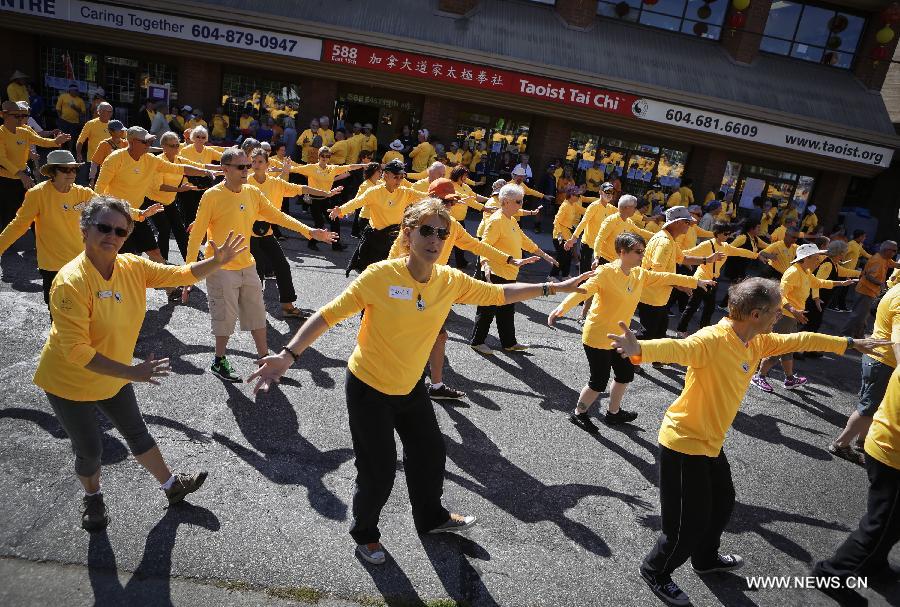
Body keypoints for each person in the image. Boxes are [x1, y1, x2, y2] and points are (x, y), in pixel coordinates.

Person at [247, 198, 590, 565]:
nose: (435, 239)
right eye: (426, 230)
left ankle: (431, 518)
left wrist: (555, 288)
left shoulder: (449, 280)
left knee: (430, 454)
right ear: (408, 235)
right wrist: (288, 355)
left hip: (410, 387)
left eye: (442, 233)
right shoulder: (381, 275)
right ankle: (365, 534)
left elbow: (499, 293)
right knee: (377, 472)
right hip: (369, 387)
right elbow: (328, 315)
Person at [606, 278, 887, 607]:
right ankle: (656, 569)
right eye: (777, 312)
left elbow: (800, 338)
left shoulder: (756, 341)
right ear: (756, 313)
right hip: (684, 443)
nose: (780, 316)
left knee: (723, 504)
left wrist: (851, 343)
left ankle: (705, 559)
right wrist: (640, 349)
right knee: (685, 524)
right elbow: (678, 349)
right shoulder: (713, 338)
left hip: (710, 442)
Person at [34, 195, 246, 530]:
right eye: (103, 227)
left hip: (113, 372)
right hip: (69, 381)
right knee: (90, 451)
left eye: (120, 231)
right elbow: (77, 351)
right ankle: (92, 498)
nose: (112, 236)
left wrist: (215, 263)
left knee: (138, 433)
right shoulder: (71, 281)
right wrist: (131, 372)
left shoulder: (132, 267)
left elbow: (179, 274)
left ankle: (171, 486)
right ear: (85, 229)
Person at [185, 147, 337, 381]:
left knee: (257, 313)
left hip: (247, 264)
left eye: (248, 166)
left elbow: (278, 216)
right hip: (219, 266)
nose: (246, 170)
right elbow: (196, 236)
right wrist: (188, 273)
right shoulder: (212, 196)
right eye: (241, 167)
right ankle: (219, 360)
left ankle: (265, 358)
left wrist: (309, 231)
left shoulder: (252, 193)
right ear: (225, 169)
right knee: (225, 318)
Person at [388, 178, 538, 400]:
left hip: (431, 287)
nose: (448, 208)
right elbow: (395, 255)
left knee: (437, 336)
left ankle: (433, 385)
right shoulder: (417, 223)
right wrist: (392, 284)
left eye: (450, 203)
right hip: (406, 285)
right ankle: (399, 380)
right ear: (431, 200)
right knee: (411, 335)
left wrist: (507, 259)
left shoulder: (453, 226)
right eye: (444, 202)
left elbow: (477, 245)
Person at [550, 232, 713, 434]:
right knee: (598, 382)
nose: (642, 255)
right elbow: (584, 290)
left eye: (642, 251)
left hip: (621, 338)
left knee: (625, 375)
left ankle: (613, 413)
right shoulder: (605, 272)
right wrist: (561, 309)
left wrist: (694, 281)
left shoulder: (640, 274)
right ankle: (579, 413)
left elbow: (665, 277)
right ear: (622, 252)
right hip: (597, 336)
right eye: (638, 252)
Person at [811, 361, 900, 606]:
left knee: (891, 519)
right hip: (893, 454)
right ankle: (831, 573)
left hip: (885, 444)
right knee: (881, 523)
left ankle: (873, 562)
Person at [751, 244, 858, 393]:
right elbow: (779, 295)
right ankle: (759, 376)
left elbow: (819, 283)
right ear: (806, 258)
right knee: (777, 349)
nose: (818, 260)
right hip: (785, 317)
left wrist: (841, 283)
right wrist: (793, 310)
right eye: (816, 258)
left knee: (789, 347)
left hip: (792, 316)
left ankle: (789, 378)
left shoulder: (805, 271)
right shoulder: (793, 272)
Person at [248, 148, 341, 317]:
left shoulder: (276, 183)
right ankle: (253, 308)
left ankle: (287, 305)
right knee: (257, 269)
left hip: (267, 230)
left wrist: (326, 193)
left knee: (282, 265)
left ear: (268, 164)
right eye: (253, 161)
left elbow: (303, 188)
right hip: (248, 231)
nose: (256, 165)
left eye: (260, 161)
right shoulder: (246, 183)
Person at [470, 183, 560, 354]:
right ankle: (477, 341)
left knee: (506, 310)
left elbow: (525, 240)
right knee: (487, 309)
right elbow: (483, 246)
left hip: (509, 272)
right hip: (495, 273)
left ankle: (509, 343)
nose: (521, 205)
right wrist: (485, 265)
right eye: (518, 202)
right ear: (505, 202)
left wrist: (545, 256)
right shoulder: (496, 221)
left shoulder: (510, 220)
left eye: (521, 201)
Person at [0, 149, 94, 306]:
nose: (71, 172)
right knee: (58, 312)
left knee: (84, 310)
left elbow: (108, 208)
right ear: (52, 172)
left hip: (80, 262)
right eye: (65, 169)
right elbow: (19, 225)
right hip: (52, 266)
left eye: (74, 168)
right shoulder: (38, 194)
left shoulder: (84, 193)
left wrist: (137, 214)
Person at [636, 207, 724, 352]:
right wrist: (681, 285)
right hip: (651, 296)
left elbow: (682, 258)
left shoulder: (669, 239)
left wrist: (707, 259)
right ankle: (630, 362)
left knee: (660, 330)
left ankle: (657, 359)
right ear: (676, 223)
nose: (690, 226)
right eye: (687, 222)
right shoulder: (664, 242)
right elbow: (658, 274)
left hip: (659, 296)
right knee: (646, 334)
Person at [828, 282, 898, 466]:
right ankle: (841, 443)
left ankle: (862, 440)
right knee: (868, 406)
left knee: (870, 404)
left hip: (877, 357)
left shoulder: (896, 289)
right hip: (884, 361)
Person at [330, 159, 427, 275]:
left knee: (390, 273)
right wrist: (340, 210)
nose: (399, 180)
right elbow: (357, 202)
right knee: (370, 273)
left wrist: (446, 197)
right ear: (385, 175)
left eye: (402, 177)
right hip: (376, 238)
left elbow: (425, 197)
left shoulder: (405, 192)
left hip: (394, 239)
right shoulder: (374, 192)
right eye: (396, 177)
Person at [677, 221, 771, 337]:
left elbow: (740, 252)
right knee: (692, 307)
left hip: (713, 281)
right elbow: (689, 252)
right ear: (717, 233)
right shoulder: (707, 245)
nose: (728, 236)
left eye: (729, 234)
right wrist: (675, 253)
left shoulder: (726, 246)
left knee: (709, 308)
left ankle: (703, 331)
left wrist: (757, 256)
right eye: (725, 234)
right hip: (701, 280)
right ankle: (681, 330)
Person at [1, 100, 71, 230]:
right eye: (17, 116)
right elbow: (2, 159)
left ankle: (39, 235)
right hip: (6, 180)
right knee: (8, 213)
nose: (22, 118)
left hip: (25, 176)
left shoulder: (25, 130)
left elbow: (41, 141)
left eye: (24, 115)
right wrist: (21, 174)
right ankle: (5, 241)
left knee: (34, 205)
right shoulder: (2, 133)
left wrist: (55, 141)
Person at [291, 145, 367, 251]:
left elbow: (350, 167)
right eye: (323, 155)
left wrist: (363, 165)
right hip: (314, 200)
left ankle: (336, 245)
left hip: (326, 200)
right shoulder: (311, 168)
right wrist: (277, 168)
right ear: (319, 156)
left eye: (327, 156)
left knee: (334, 221)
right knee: (319, 224)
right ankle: (312, 242)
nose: (325, 158)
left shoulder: (332, 169)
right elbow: (294, 169)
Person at [843, 241, 899, 338]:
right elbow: (868, 276)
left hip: (870, 292)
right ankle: (846, 336)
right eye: (894, 251)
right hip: (865, 291)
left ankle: (858, 338)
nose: (895, 253)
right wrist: (881, 284)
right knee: (858, 316)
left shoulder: (885, 259)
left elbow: (895, 265)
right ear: (886, 250)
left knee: (863, 316)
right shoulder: (877, 260)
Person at [550, 186, 586, 279]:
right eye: (577, 195)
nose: (578, 197)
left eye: (579, 195)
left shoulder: (573, 205)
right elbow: (556, 221)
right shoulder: (565, 205)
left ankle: (565, 275)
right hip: (560, 235)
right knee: (562, 256)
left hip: (567, 234)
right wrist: (559, 235)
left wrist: (595, 211)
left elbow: (585, 211)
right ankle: (552, 275)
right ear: (571, 195)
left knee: (568, 256)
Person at [88, 119, 127, 185]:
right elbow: (95, 163)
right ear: (111, 131)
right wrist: (92, 179)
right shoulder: (104, 144)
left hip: (122, 178)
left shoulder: (126, 143)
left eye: (123, 129)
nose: (122, 131)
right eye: (119, 130)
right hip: (107, 177)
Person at [75, 101, 113, 167]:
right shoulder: (90, 124)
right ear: (100, 112)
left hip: (109, 161)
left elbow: (125, 137)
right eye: (108, 111)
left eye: (111, 111)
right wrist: (78, 154)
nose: (110, 114)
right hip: (94, 161)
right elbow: (81, 140)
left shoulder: (113, 125)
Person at [55, 83, 86, 149]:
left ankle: (70, 150)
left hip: (74, 122)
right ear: (70, 91)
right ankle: (60, 149)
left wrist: (75, 108)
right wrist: (60, 117)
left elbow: (83, 113)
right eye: (75, 90)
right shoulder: (63, 96)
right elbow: (58, 108)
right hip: (64, 120)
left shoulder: (80, 100)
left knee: (72, 137)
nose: (76, 92)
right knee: (62, 135)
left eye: (77, 91)